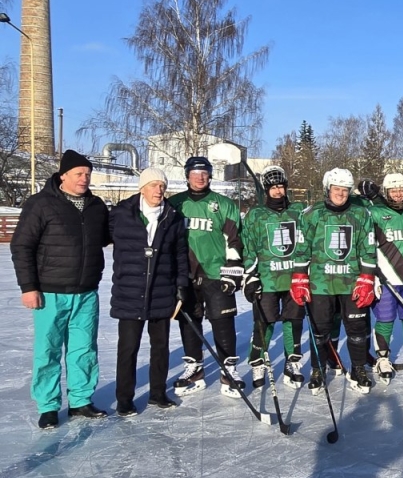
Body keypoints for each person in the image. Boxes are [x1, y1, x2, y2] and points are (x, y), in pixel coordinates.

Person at [11, 150, 111, 429]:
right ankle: (48, 406)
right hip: (50, 292)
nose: (84, 178)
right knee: (48, 351)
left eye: (87, 174)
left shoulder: (96, 206)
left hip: (86, 292)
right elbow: (22, 246)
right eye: (79, 173)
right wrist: (29, 287)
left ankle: (80, 400)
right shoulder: (41, 204)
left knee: (84, 349)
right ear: (63, 175)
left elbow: (108, 237)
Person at [108, 168, 188, 416]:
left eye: (162, 186)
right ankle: (124, 399)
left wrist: (181, 286)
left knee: (160, 347)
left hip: (162, 292)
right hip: (129, 292)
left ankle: (157, 393)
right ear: (142, 188)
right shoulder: (121, 214)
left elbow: (180, 255)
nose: (159, 190)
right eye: (153, 185)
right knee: (128, 348)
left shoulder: (173, 217)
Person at [292, 168, 378, 394]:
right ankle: (318, 370)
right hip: (321, 282)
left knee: (357, 328)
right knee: (320, 329)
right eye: (336, 189)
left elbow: (368, 247)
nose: (341, 194)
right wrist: (299, 276)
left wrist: (367, 277)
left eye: (345, 190)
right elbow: (302, 247)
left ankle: (358, 368)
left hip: (352, 282)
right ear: (327, 189)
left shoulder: (361, 214)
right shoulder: (311, 214)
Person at [168, 156, 246, 398]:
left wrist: (232, 271)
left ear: (210, 175)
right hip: (186, 274)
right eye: (195, 173)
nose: (200, 177)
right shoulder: (175, 204)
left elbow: (234, 240)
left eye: (204, 173)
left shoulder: (224, 204)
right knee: (189, 320)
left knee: (223, 321)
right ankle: (194, 368)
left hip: (216, 273)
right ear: (187, 175)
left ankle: (228, 369)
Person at [241, 166, 307, 390]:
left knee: (293, 321)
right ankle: (258, 362)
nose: (278, 191)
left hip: (293, 278)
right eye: (273, 188)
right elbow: (248, 247)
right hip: (267, 278)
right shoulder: (256, 215)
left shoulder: (298, 211)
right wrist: (250, 276)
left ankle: (292, 361)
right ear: (266, 190)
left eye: (281, 186)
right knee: (264, 322)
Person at [368, 173, 403, 393]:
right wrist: (372, 274)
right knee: (385, 319)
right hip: (386, 278)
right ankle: (383, 358)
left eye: (401, 189)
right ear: (387, 192)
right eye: (393, 190)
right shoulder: (375, 213)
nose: (398, 194)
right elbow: (367, 246)